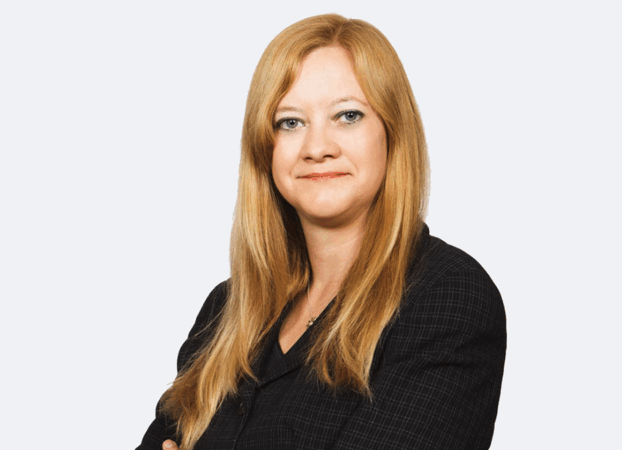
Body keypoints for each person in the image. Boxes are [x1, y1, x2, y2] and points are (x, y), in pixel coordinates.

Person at [137, 13, 506, 450]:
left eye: (348, 116)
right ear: (264, 148)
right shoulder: (226, 310)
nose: (317, 148)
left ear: (392, 132)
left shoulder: (447, 297)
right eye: (290, 122)